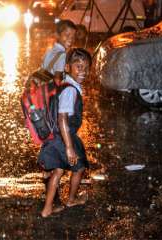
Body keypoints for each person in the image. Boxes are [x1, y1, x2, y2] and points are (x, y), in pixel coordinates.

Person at [38, 48, 92, 218]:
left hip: (57, 137)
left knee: (59, 171)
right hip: (64, 137)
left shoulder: (67, 85)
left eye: (86, 67)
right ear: (68, 67)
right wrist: (69, 147)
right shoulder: (70, 90)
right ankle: (71, 200)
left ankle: (47, 209)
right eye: (78, 67)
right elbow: (62, 118)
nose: (83, 71)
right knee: (79, 167)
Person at [41, 19, 77, 86]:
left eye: (73, 36)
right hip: (50, 93)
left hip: (42, 88)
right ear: (57, 35)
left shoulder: (49, 51)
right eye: (67, 35)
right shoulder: (62, 55)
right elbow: (57, 80)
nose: (71, 39)